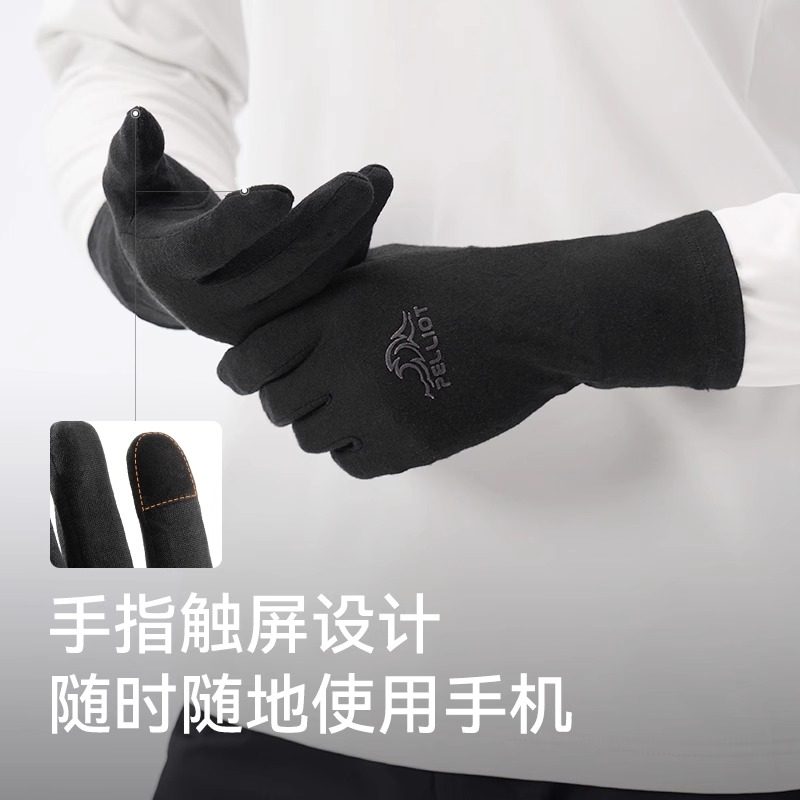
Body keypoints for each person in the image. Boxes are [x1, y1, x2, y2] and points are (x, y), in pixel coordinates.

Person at [37, 1, 800, 796]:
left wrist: (574, 311)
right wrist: (148, 235)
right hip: (291, 665)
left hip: (702, 689)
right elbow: (133, 48)